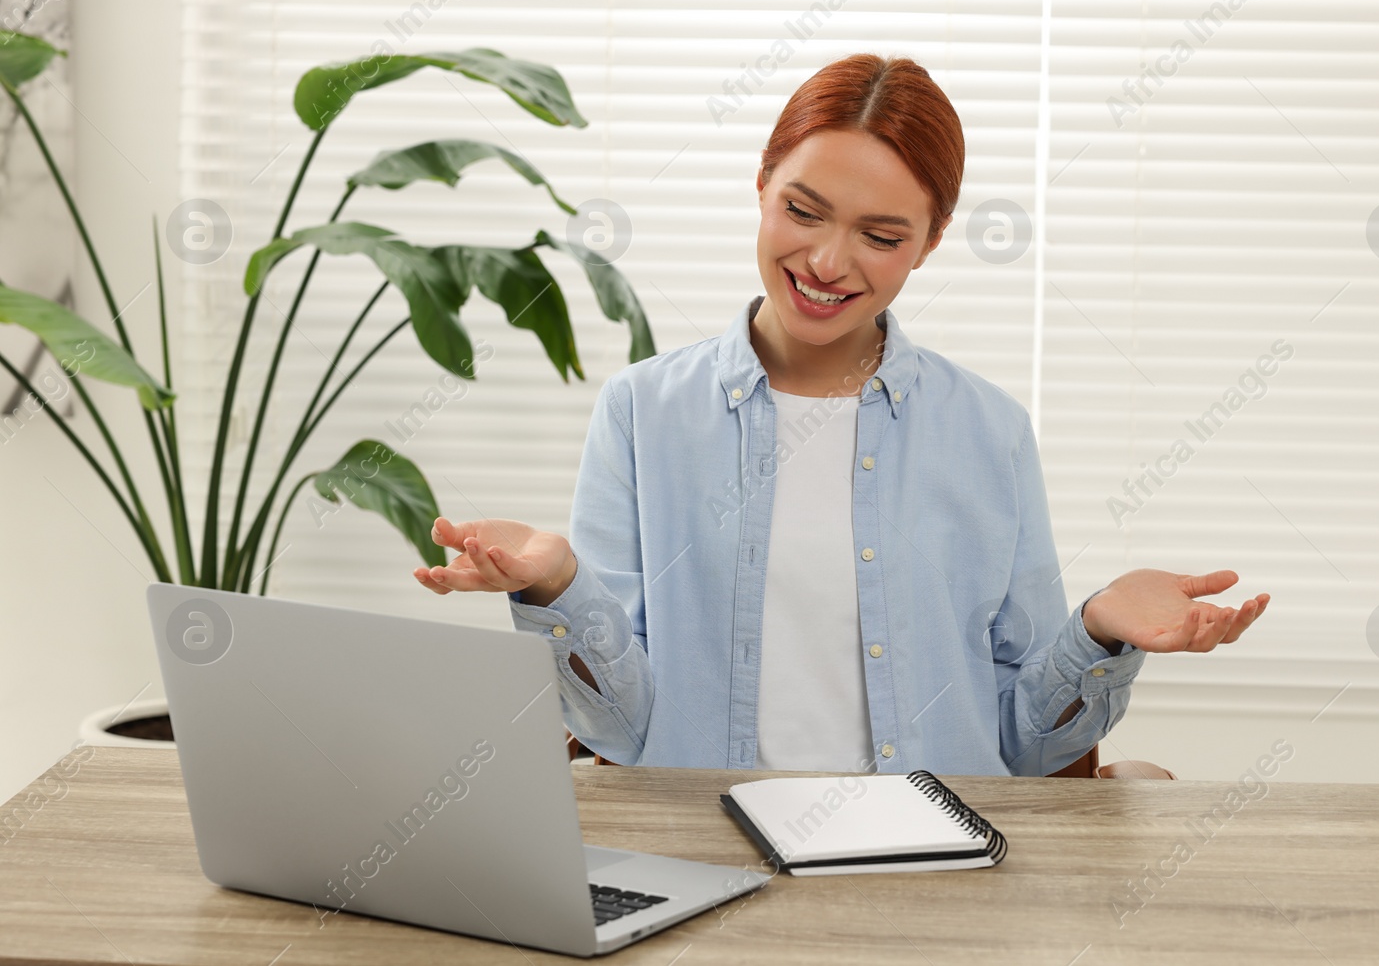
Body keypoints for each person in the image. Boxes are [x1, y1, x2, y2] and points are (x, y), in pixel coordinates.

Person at [412, 53, 1269, 777]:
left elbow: (1025, 743)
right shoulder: (642, 413)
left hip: (929, 874)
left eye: (881, 236)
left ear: (930, 243)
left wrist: (1098, 629)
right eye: (802, 210)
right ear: (761, 186)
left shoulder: (990, 433)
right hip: (707, 865)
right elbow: (625, 732)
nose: (826, 261)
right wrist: (557, 584)